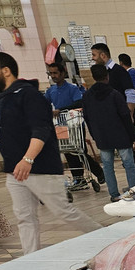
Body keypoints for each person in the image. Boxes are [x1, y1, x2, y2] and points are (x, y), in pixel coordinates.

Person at [0, 52, 102, 253]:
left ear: (6, 71)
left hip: (39, 167)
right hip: (15, 169)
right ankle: (31, 261)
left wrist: (28, 159)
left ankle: (105, 238)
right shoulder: (2, 98)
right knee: (24, 217)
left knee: (64, 211)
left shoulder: (29, 95)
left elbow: (41, 129)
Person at [82, 63, 135, 202]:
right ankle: (133, 192)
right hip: (120, 134)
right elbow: (125, 116)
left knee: (107, 166)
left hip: (102, 136)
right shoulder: (114, 94)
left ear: (94, 77)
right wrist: (133, 136)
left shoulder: (87, 96)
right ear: (107, 76)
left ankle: (114, 194)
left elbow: (87, 118)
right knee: (129, 164)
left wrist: (95, 135)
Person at [43, 62, 90, 190]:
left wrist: (61, 109)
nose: (53, 76)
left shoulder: (72, 88)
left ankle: (95, 173)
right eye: (51, 73)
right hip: (62, 125)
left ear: (62, 73)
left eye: (56, 73)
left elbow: (79, 102)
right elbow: (44, 103)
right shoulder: (51, 90)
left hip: (75, 123)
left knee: (80, 150)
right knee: (68, 151)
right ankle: (78, 178)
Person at [89, 43, 135, 119]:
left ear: (103, 55)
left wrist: (129, 114)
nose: (92, 58)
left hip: (123, 116)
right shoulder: (102, 73)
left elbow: (130, 92)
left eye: (94, 55)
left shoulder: (119, 70)